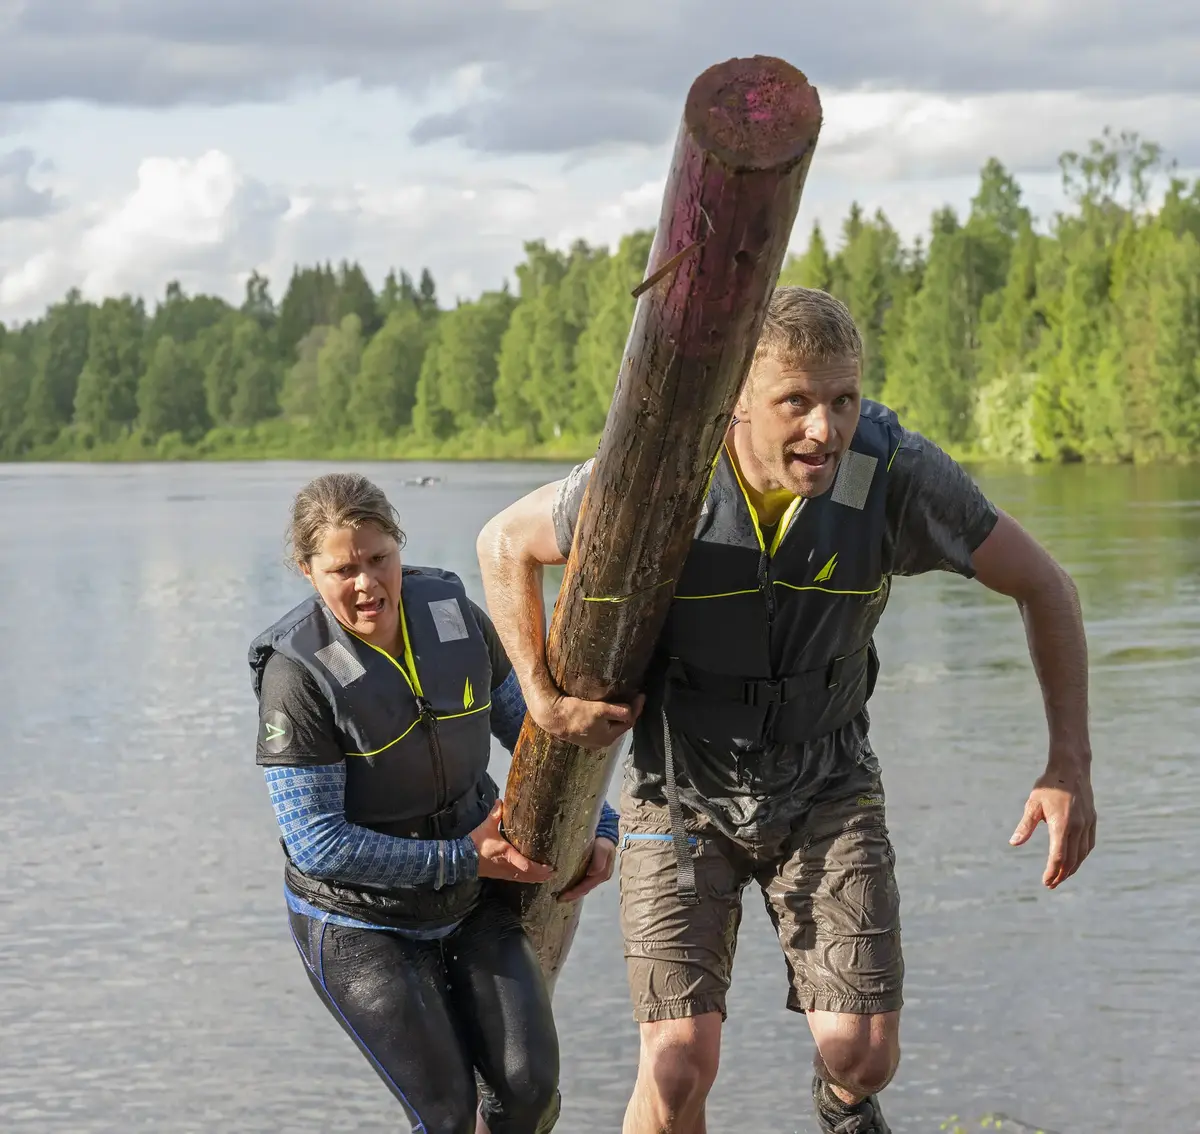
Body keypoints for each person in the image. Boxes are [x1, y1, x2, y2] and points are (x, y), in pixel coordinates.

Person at [475, 287, 1097, 1134]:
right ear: (737, 400)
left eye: (843, 400)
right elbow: (505, 543)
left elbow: (1044, 585)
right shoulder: (660, 473)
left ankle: (841, 1107)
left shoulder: (891, 474)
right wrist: (542, 701)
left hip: (829, 785)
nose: (825, 429)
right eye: (796, 402)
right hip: (682, 791)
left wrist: (1068, 766)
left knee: (863, 1053)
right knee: (677, 1062)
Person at [248, 472, 620, 1134]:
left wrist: (603, 825)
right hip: (362, 924)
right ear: (307, 572)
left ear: (399, 547)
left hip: (470, 901)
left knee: (530, 1091)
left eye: (378, 559)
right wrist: (465, 859)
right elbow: (317, 844)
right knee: (448, 1116)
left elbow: (538, 730)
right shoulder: (296, 676)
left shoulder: (450, 615)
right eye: (342, 569)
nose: (366, 584)